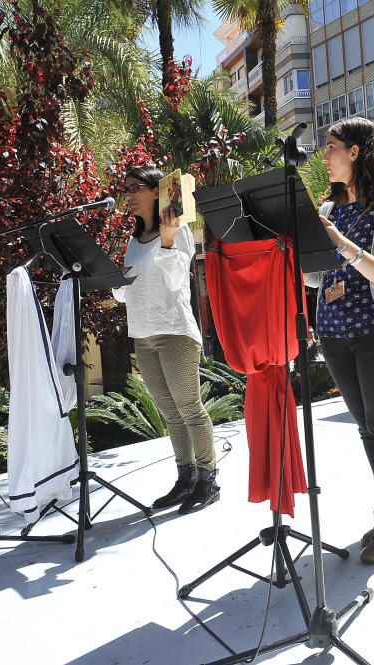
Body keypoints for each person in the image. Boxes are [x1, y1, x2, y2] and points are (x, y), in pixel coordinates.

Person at [305, 117, 374, 564]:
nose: (324, 157)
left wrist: (342, 244)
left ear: (355, 151)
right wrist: (299, 247)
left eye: (330, 148)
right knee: (366, 429)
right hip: (333, 333)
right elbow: (315, 279)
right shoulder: (328, 211)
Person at [113, 165, 219, 514]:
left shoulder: (179, 230)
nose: (127, 195)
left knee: (189, 409)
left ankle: (208, 480)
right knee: (170, 414)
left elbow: (177, 283)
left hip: (174, 332)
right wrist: (111, 281)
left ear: (155, 191)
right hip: (142, 334)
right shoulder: (133, 240)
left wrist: (169, 239)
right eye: (125, 189)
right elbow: (124, 294)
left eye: (134, 188)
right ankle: (185, 479)